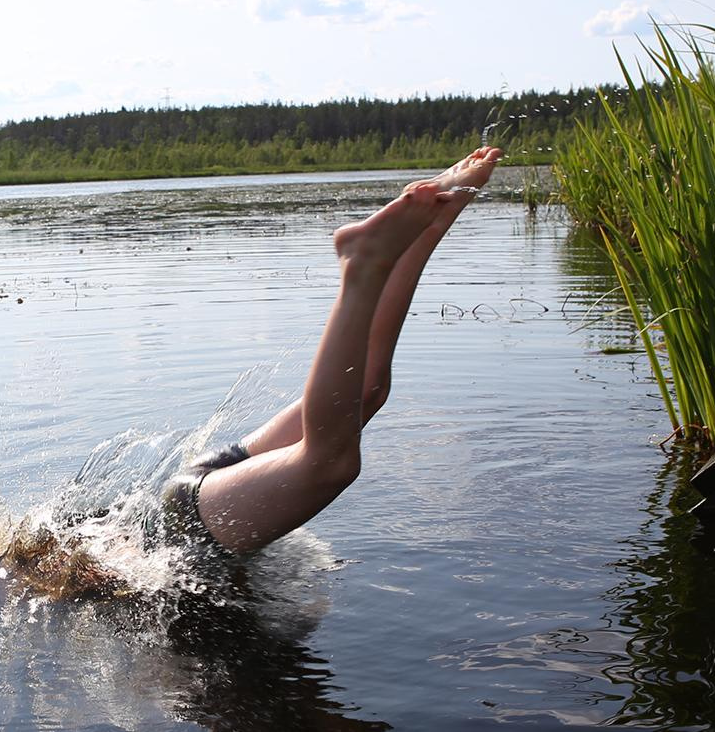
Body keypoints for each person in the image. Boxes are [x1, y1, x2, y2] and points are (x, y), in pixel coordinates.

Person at [162, 146, 503, 554]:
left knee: (330, 461)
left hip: (188, 525)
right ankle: (432, 221)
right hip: (207, 492)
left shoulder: (82, 557)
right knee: (367, 389)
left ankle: (363, 265)